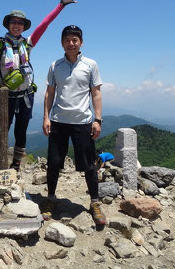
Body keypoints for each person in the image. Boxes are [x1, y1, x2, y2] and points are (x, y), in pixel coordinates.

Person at [0, 0, 77, 171]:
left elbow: (44, 25)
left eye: (20, 22)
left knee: (21, 130)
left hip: (26, 95)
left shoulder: (28, 43)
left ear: (24, 26)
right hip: (6, 96)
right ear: (8, 24)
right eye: (14, 22)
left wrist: (60, 6)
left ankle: (16, 164)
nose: (17, 25)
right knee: (2, 130)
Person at [41, 25, 106, 225]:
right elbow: (49, 92)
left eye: (75, 40)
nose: (71, 43)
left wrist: (97, 119)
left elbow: (96, 92)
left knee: (88, 166)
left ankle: (94, 202)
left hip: (83, 121)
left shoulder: (90, 64)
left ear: (81, 43)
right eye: (67, 40)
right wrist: (46, 117)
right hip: (59, 120)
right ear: (62, 43)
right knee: (53, 163)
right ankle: (51, 199)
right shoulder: (55, 65)